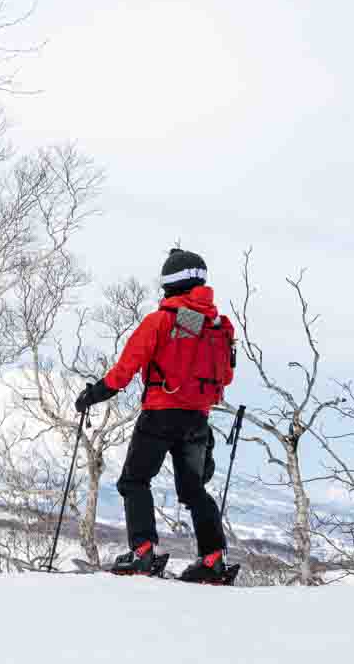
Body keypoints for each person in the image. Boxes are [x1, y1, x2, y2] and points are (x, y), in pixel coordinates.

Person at [74, 248, 236, 583]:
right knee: (193, 491)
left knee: (134, 481)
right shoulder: (217, 326)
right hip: (197, 418)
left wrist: (93, 395)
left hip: (160, 414)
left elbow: (124, 371)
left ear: (169, 284)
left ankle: (143, 552)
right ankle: (213, 560)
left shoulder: (162, 320)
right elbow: (226, 377)